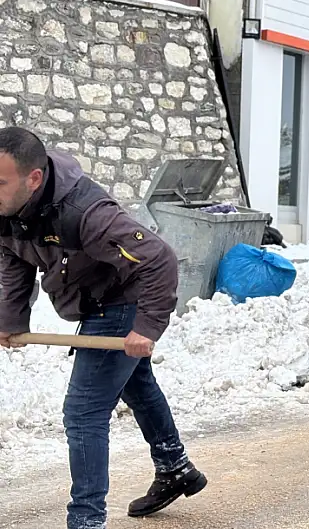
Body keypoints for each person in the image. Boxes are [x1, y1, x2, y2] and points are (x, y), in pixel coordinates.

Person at [0, 128, 206, 528]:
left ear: (34, 179)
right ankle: (175, 467)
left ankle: (86, 520)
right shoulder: (8, 208)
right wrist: (10, 321)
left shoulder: (85, 212)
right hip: (91, 298)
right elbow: (13, 259)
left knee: (83, 412)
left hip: (122, 298)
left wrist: (145, 327)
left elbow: (158, 258)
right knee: (137, 384)